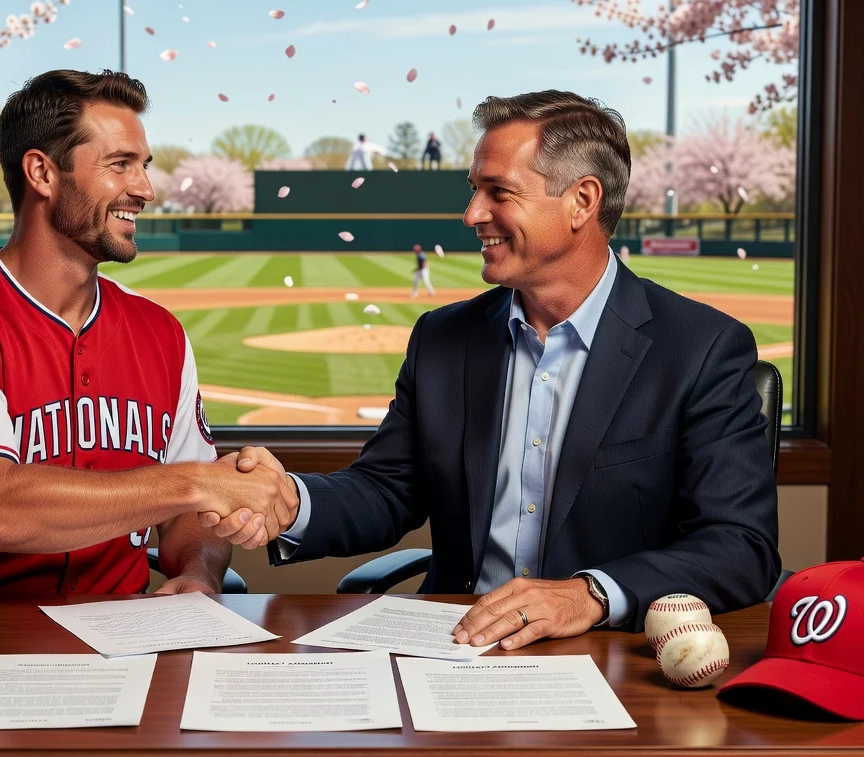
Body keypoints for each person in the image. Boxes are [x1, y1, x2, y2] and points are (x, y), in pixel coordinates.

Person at [226, 88, 779, 648]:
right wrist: (293, 502)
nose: (472, 215)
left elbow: (740, 546)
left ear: (582, 201)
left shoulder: (701, 348)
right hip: (454, 648)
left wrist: (590, 594)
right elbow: (390, 489)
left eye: (499, 193)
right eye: (474, 191)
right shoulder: (443, 339)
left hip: (607, 654)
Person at [0, 69, 294, 597]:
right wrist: (198, 482)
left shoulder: (160, 332)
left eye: (144, 167)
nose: (145, 190)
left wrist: (196, 572)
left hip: (126, 639)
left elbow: (193, 517)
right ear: (42, 173)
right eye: (120, 165)